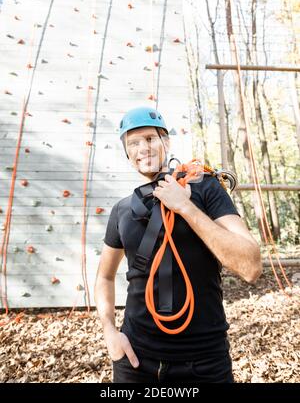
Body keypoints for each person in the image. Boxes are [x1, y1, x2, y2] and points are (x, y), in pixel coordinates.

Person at [94, 106, 262, 383]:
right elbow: (104, 275)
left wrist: (185, 206)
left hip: (204, 361)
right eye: (133, 143)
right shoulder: (123, 210)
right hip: (136, 360)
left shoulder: (205, 189)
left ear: (166, 142)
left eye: (149, 138)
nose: (143, 148)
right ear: (128, 154)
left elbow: (251, 266)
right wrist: (110, 331)